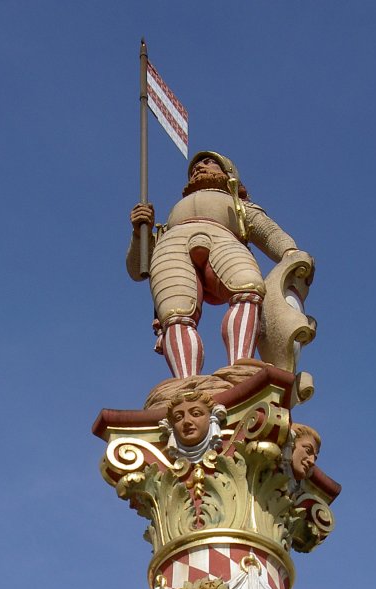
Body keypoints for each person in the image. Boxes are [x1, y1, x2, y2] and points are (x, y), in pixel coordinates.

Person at [127, 152, 307, 378]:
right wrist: (139, 232)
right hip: (173, 244)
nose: (199, 167)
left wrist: (289, 252)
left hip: (224, 237)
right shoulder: (170, 221)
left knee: (248, 289)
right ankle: (186, 382)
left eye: (209, 162)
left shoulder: (237, 205)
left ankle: (240, 364)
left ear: (229, 173)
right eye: (195, 166)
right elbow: (137, 269)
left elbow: (267, 230)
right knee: (175, 313)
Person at [160, 390, 225, 462]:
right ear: (172, 426)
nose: (186, 421)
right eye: (178, 417)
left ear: (211, 416)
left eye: (196, 414)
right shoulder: (162, 458)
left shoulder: (227, 441)